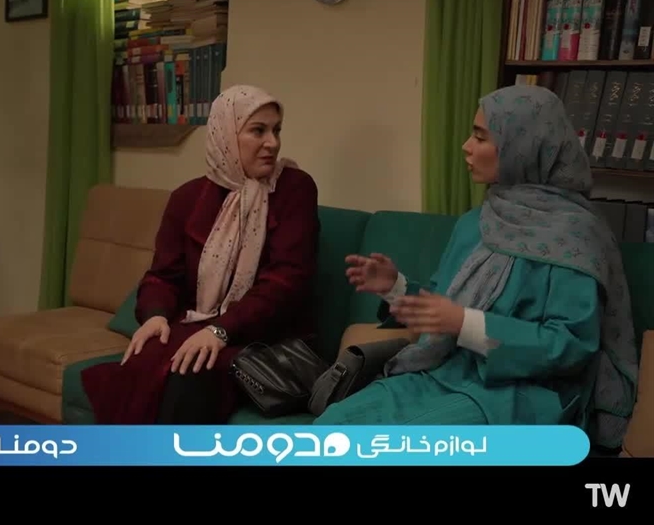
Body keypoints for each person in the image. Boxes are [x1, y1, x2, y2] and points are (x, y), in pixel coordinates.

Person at [318, 85, 639, 450]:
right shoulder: (476, 222)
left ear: (522, 146)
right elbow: (444, 307)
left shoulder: (575, 235)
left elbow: (570, 346)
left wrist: (465, 324)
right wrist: (395, 287)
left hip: (518, 396)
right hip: (442, 373)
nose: (466, 147)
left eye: (480, 137)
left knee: (390, 448)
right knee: (329, 430)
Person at [80, 85, 321, 424]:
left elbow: (286, 282)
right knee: (142, 359)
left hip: (266, 335)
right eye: (258, 131)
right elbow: (163, 275)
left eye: (276, 130)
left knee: (190, 372)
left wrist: (221, 330)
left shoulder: (295, 189)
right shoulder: (188, 198)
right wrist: (155, 315)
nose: (272, 143)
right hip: (201, 323)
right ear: (224, 135)